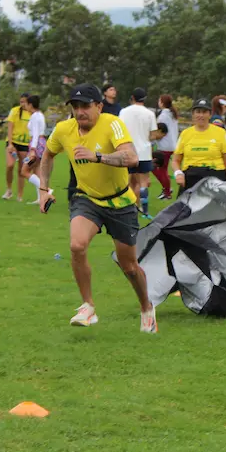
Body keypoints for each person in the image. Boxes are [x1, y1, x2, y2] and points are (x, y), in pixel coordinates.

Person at [36, 83, 156, 333]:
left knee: (129, 266)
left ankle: (146, 307)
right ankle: (88, 306)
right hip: (87, 198)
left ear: (99, 106)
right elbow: (47, 155)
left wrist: (97, 157)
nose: (80, 112)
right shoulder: (64, 129)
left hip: (120, 202)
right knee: (77, 245)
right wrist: (43, 189)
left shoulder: (112, 123)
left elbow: (132, 158)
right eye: (76, 106)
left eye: (86, 106)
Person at [171, 98, 226, 193]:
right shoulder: (185, 134)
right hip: (191, 177)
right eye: (198, 112)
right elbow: (176, 160)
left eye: (204, 112)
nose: (201, 115)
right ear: (193, 114)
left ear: (210, 114)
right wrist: (178, 173)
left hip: (215, 178)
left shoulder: (220, 133)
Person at [119, 88, 158, 219]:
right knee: (143, 182)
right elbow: (153, 135)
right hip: (144, 153)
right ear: (144, 98)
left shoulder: (124, 112)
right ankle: (144, 210)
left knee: (128, 181)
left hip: (127, 151)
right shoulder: (149, 114)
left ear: (132, 97)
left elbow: (120, 129)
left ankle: (129, 207)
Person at [3, 93, 31, 201]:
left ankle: (20, 195)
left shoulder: (32, 113)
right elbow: (10, 128)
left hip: (25, 145)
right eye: (21, 102)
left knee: (21, 169)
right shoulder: (15, 111)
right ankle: (9, 190)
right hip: (13, 142)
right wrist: (10, 144)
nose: (23, 104)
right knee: (10, 165)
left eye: (25, 102)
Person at [20, 95, 48, 204]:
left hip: (36, 145)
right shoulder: (40, 115)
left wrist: (32, 149)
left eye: (26, 104)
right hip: (41, 143)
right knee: (36, 170)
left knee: (24, 170)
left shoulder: (35, 116)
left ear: (30, 105)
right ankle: (40, 197)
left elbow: (35, 133)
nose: (25, 106)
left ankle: (46, 190)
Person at [152, 94, 179, 200]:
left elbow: (159, 131)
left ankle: (167, 191)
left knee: (155, 167)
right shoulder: (173, 115)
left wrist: (152, 140)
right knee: (163, 169)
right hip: (172, 145)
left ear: (162, 103)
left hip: (164, 146)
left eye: (159, 100)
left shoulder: (163, 116)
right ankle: (166, 189)